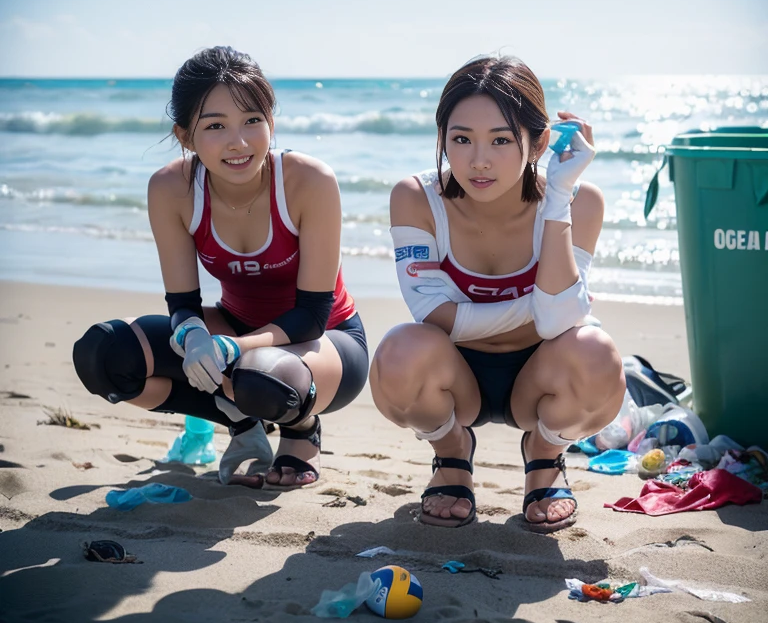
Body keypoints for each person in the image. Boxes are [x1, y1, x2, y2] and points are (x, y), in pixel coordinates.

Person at [73, 46, 368, 488]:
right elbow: (183, 303)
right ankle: (239, 420)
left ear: (272, 122)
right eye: (215, 126)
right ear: (185, 135)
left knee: (259, 376)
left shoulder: (309, 182)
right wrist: (193, 335)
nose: (240, 142)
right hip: (235, 325)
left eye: (253, 120)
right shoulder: (172, 188)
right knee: (104, 354)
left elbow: (312, 315)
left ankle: (302, 430)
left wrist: (231, 349)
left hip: (324, 340)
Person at [370, 55, 624, 531]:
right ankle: (452, 453)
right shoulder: (416, 198)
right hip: (455, 374)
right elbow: (431, 312)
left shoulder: (580, 201)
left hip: (539, 374)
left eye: (501, 140)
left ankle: (545, 454)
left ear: (537, 143)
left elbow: (554, 327)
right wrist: (542, 307)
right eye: (460, 139)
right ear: (442, 137)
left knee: (596, 353)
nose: (478, 160)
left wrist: (558, 198)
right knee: (399, 352)